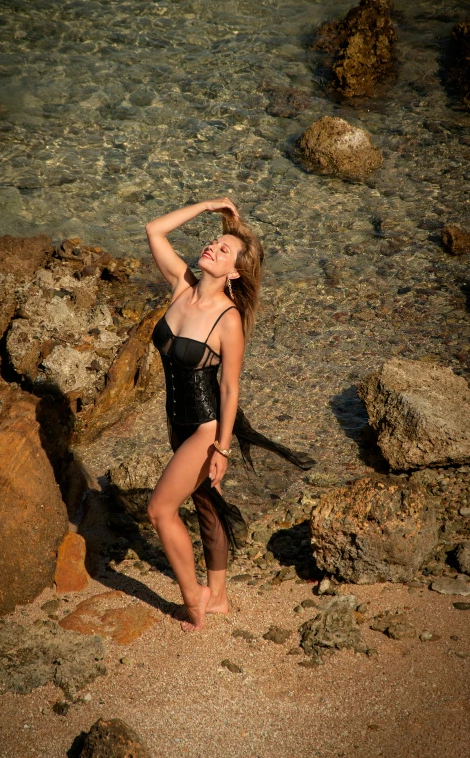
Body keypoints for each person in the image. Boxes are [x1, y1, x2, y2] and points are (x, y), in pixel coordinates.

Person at [146, 198, 315, 632]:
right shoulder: (181, 287)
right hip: (176, 421)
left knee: (161, 510)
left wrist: (221, 447)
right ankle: (219, 597)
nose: (212, 248)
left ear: (234, 273)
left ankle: (195, 600)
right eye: (213, 243)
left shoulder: (228, 320)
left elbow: (229, 387)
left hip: (204, 427)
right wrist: (208, 206)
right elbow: (153, 229)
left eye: (224, 251)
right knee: (205, 503)